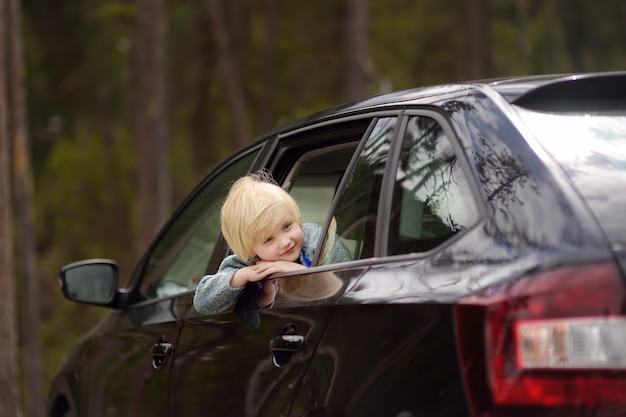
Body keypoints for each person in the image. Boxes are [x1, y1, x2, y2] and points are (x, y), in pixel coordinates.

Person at [193, 170, 352, 316]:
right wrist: (242, 276)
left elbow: (347, 282)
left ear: (296, 217)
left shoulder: (317, 240)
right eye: (269, 239)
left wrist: (299, 272)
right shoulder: (247, 264)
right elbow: (202, 302)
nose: (285, 242)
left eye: (287, 226)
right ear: (251, 251)